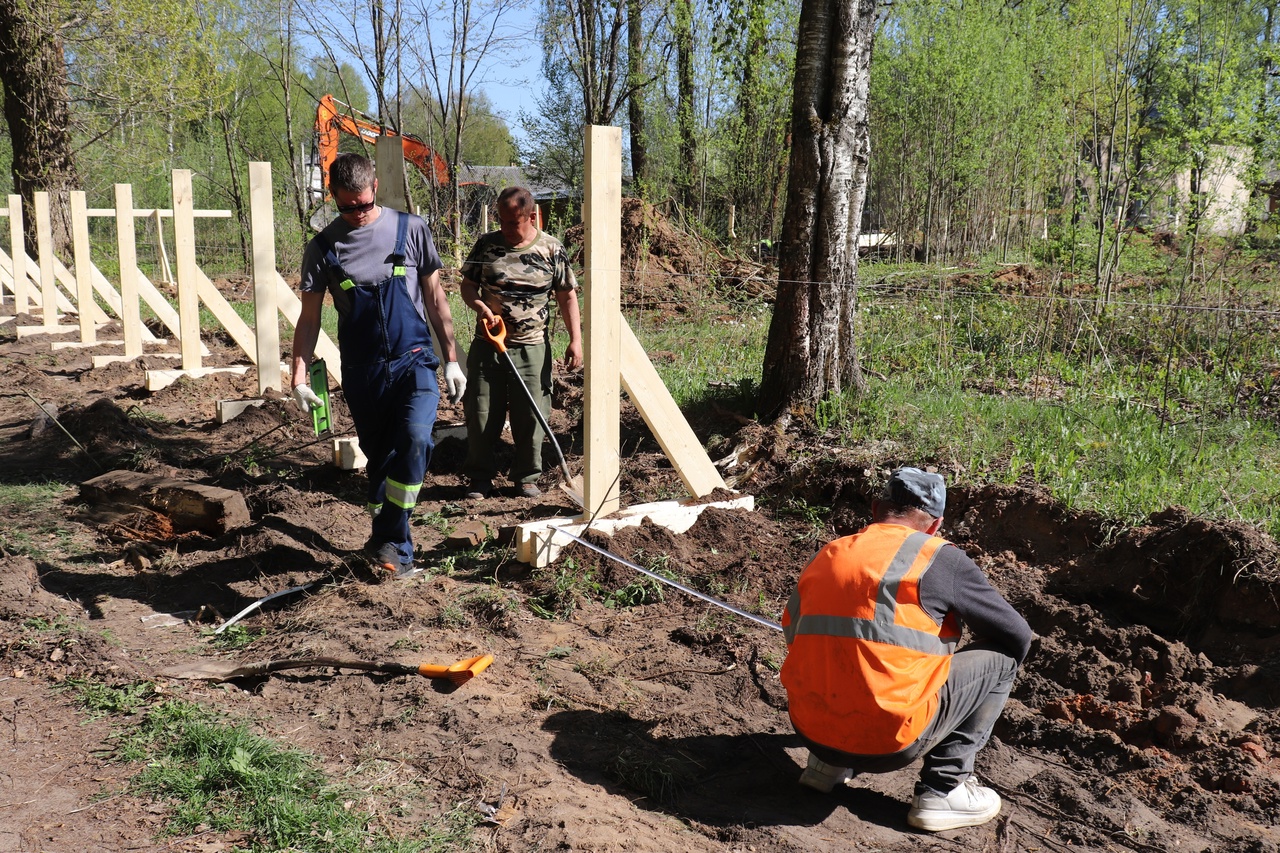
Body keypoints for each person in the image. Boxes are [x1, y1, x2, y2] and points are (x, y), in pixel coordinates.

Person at [780, 467, 1033, 832]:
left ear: (876, 508)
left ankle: (826, 765)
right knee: (1003, 657)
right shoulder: (938, 557)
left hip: (810, 728)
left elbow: (793, 631)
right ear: (934, 525)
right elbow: (1018, 635)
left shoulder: (830, 553)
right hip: (890, 742)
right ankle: (943, 790)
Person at [290, 153, 466, 579]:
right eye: (347, 207)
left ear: (375, 190)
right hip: (363, 371)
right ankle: (392, 549)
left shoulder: (412, 230)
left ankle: (387, 539)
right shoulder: (322, 248)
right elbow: (309, 318)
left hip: (414, 361)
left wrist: (452, 360)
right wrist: (297, 373)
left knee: (416, 438)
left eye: (364, 205)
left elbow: (436, 299)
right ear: (332, 196)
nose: (358, 214)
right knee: (381, 462)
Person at [459, 186, 582, 499]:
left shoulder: (552, 249)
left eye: (514, 222)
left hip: (532, 347)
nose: (507, 229)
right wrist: (483, 308)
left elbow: (567, 296)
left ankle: (527, 477)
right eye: (502, 221)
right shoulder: (486, 246)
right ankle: (479, 478)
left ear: (532, 216)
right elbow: (468, 286)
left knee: (531, 414)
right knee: (482, 411)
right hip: (488, 346)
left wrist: (575, 340)